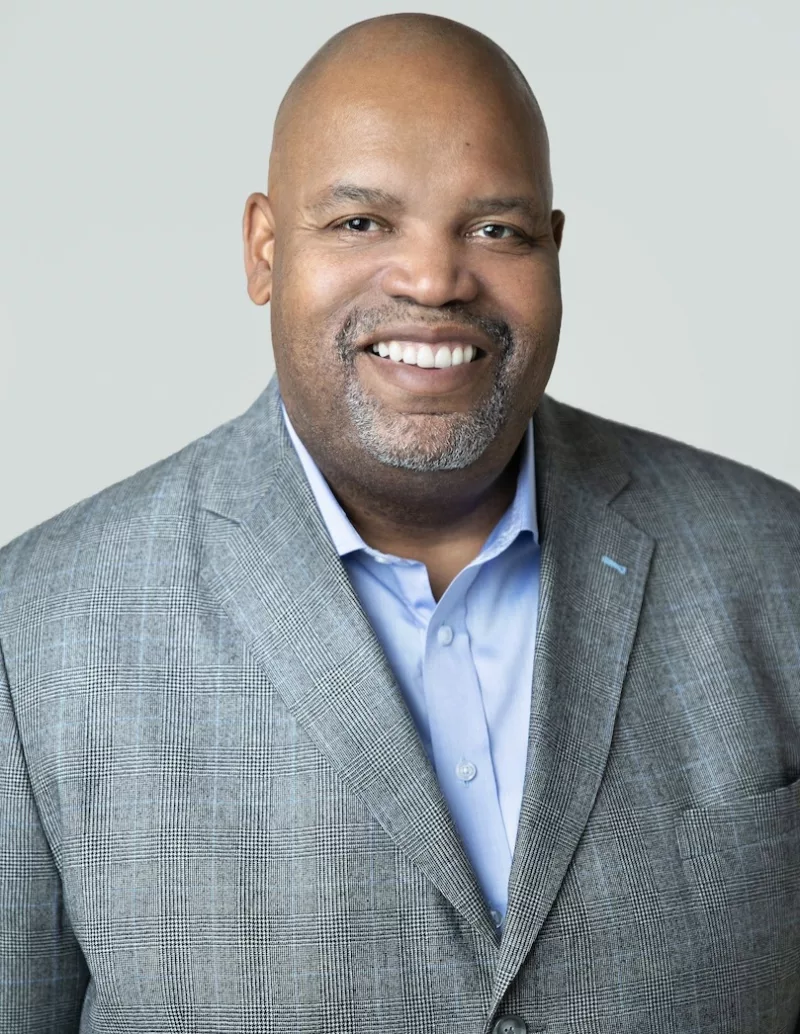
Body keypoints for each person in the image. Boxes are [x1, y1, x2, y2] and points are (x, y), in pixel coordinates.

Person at [1, 12, 799, 1034]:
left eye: (494, 228)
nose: (432, 280)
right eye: (361, 222)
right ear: (263, 249)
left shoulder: (775, 569)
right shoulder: (33, 638)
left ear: (553, 252)